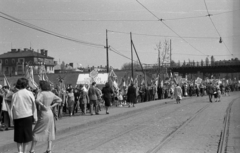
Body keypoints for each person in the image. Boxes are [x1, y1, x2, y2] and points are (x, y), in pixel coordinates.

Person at [29, 81, 62, 153]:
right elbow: (60, 100)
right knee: (50, 130)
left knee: (36, 132)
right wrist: (51, 106)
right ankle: (49, 149)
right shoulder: (51, 93)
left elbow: (37, 100)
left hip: (43, 113)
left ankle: (32, 150)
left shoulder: (41, 93)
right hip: (50, 113)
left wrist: (43, 105)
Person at [10, 78, 38, 153]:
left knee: (18, 135)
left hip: (17, 116)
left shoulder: (15, 95)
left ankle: (19, 151)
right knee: (27, 135)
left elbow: (11, 108)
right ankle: (25, 151)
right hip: (28, 116)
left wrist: (11, 119)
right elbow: (34, 106)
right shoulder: (30, 93)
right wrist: (35, 117)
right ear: (26, 84)